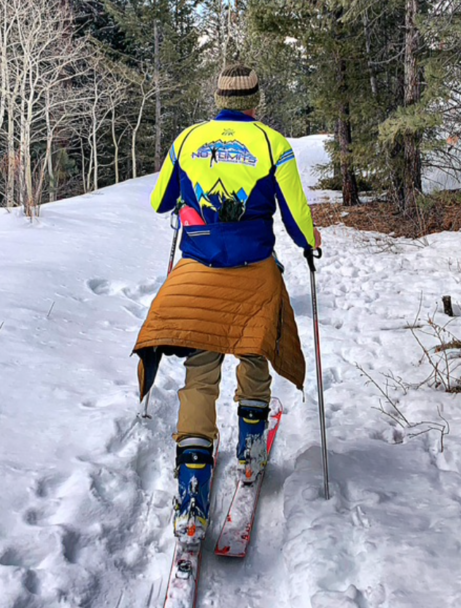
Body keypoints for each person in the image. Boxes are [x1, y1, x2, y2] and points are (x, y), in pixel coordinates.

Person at [134, 64, 321, 544]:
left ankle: (192, 493)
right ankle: (251, 449)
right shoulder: (272, 144)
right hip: (252, 273)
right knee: (254, 353)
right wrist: (310, 242)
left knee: (200, 374)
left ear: (217, 96)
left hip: (196, 275)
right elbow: (297, 217)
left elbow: (160, 201)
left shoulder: (188, 139)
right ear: (256, 98)